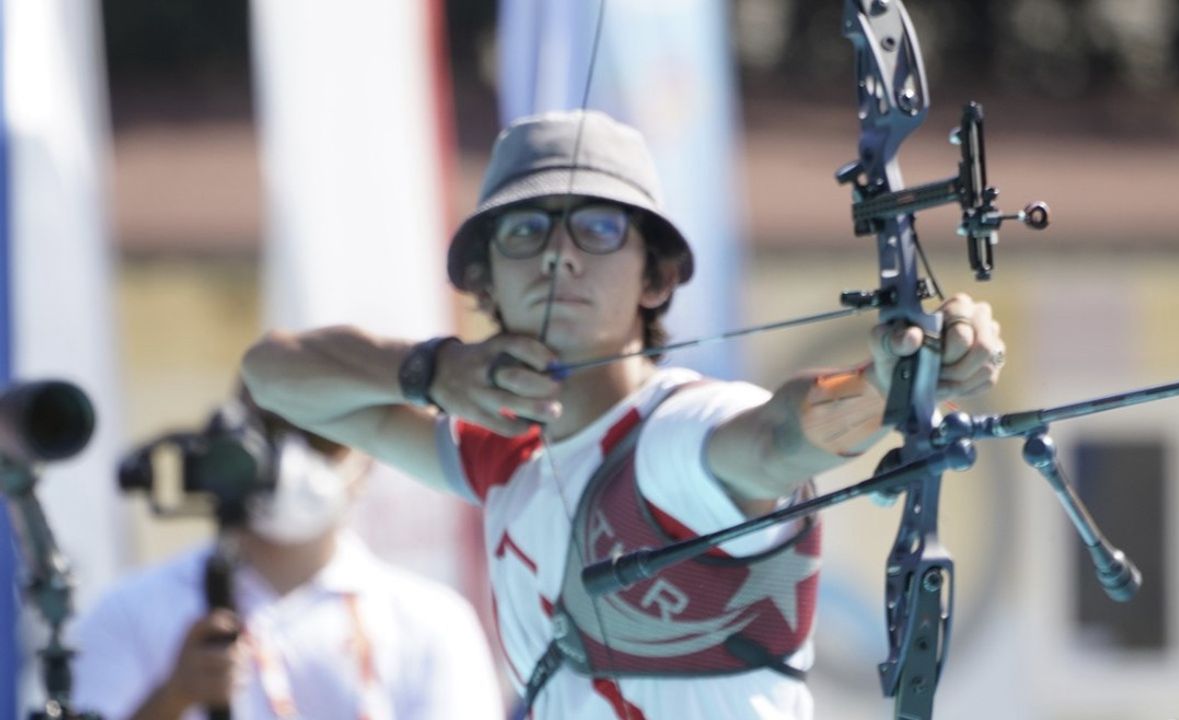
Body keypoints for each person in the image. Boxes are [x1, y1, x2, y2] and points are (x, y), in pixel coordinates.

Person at [240, 109, 1007, 719]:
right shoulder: (502, 456)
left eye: (598, 228)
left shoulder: (676, 437)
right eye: (525, 229)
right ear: (486, 279)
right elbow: (273, 377)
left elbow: (777, 438)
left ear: (656, 277)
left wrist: (901, 380)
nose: (558, 255)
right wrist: (430, 371)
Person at [70, 399, 504, 720]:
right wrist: (174, 698)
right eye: (271, 431)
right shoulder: (127, 610)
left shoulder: (433, 621)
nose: (294, 460)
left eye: (323, 438)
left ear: (368, 461)